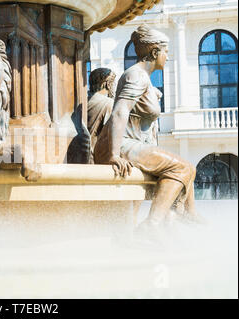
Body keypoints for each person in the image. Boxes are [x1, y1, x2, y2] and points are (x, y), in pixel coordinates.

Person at [94, 24, 204, 232]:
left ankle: (180, 215)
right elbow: (119, 112)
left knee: (185, 170)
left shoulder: (144, 79)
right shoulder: (136, 75)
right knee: (183, 168)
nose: (167, 57)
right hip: (123, 146)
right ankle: (152, 227)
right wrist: (113, 155)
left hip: (133, 144)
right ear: (154, 52)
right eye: (166, 52)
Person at [87, 68, 116, 164]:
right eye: (113, 83)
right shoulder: (109, 104)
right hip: (97, 159)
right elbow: (111, 136)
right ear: (107, 84)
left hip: (81, 155)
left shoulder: (82, 101)